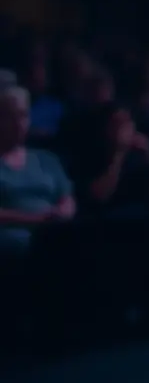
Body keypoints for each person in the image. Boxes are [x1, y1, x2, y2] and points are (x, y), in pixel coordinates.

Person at [0, 85, 76, 260]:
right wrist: (36, 219)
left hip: (53, 234)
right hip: (12, 239)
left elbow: (67, 198)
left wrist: (63, 213)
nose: (18, 122)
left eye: (23, 115)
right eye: (10, 116)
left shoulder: (47, 159)